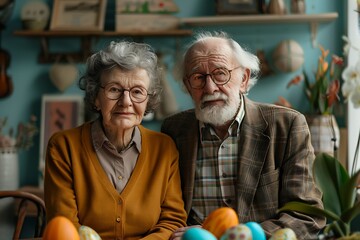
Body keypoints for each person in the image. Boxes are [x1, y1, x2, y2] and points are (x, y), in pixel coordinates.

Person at [161, 31, 325, 239]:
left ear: (244, 79)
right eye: (198, 77)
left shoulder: (287, 125)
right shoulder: (174, 130)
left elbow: (306, 214)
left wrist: (231, 235)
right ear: (187, 86)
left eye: (221, 73)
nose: (210, 87)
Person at [44, 40, 187, 239]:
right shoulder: (63, 146)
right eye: (114, 90)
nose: (126, 102)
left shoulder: (164, 147)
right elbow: (64, 224)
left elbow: (172, 220)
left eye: (137, 92)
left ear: (148, 101)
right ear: (95, 96)